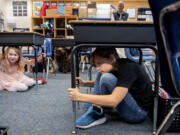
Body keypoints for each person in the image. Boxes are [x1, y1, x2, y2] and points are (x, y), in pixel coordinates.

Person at [68, 47, 154, 129]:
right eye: (96, 65)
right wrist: (85, 83)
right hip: (131, 103)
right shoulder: (118, 64)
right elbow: (118, 84)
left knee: (106, 77)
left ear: (112, 58)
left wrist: (79, 96)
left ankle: (98, 111)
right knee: (102, 73)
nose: (97, 67)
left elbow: (113, 100)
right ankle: (96, 106)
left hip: (137, 114)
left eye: (99, 63)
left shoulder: (128, 68)